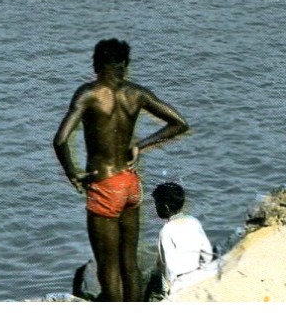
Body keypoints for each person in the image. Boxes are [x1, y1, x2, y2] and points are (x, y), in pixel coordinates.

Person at [53, 39, 190, 302]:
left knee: (107, 266)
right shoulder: (136, 93)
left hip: (104, 186)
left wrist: (72, 173)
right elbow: (179, 123)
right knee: (129, 261)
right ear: (124, 65)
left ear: (95, 65)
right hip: (130, 184)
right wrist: (141, 144)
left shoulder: (88, 94)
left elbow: (60, 140)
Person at [151, 182, 216, 298]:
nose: (156, 209)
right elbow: (207, 254)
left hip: (179, 283)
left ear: (165, 207)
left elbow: (169, 266)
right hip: (198, 276)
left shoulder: (166, 231)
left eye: (156, 205)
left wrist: (169, 291)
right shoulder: (194, 221)